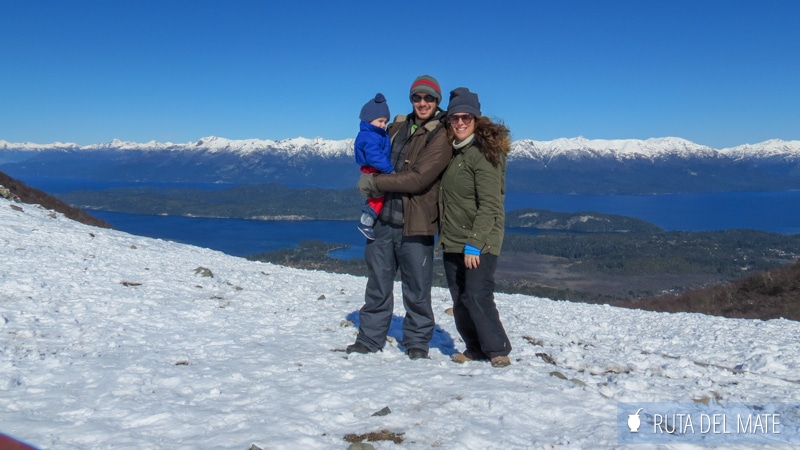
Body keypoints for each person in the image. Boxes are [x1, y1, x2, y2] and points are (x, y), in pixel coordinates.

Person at [346, 75, 452, 360]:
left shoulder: (440, 135)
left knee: (417, 287)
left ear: (436, 101)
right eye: (417, 97)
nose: (422, 103)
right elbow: (370, 137)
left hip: (416, 224)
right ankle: (370, 337)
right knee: (378, 284)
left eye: (428, 98)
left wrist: (375, 184)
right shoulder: (396, 128)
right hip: (384, 222)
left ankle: (417, 342)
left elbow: (418, 180)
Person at [438, 87, 513, 368]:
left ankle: (497, 349)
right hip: (452, 239)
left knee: (477, 295)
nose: (459, 122)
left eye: (466, 117)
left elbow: (491, 204)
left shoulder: (482, 154)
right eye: (454, 118)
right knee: (460, 299)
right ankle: (474, 348)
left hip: (480, 242)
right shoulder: (455, 153)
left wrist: (475, 242)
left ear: (476, 120)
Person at [354, 93, 393, 240]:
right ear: (369, 119)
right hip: (374, 168)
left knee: (377, 195)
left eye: (385, 122)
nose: (383, 125)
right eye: (380, 121)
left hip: (374, 168)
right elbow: (374, 156)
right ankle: (366, 221)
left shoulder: (375, 134)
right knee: (379, 196)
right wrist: (389, 169)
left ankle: (368, 218)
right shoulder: (370, 136)